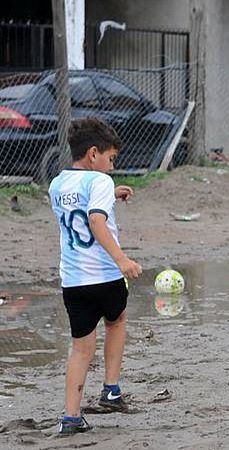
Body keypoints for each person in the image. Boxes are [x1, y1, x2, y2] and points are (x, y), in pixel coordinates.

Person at [48, 117, 143, 435]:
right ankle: (111, 390)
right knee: (116, 321)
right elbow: (95, 220)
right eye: (110, 159)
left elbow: (77, 207)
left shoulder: (57, 183)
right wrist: (122, 260)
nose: (111, 167)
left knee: (80, 349)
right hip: (105, 276)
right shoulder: (99, 181)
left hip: (74, 282)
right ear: (93, 154)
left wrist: (111, 193)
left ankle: (71, 417)